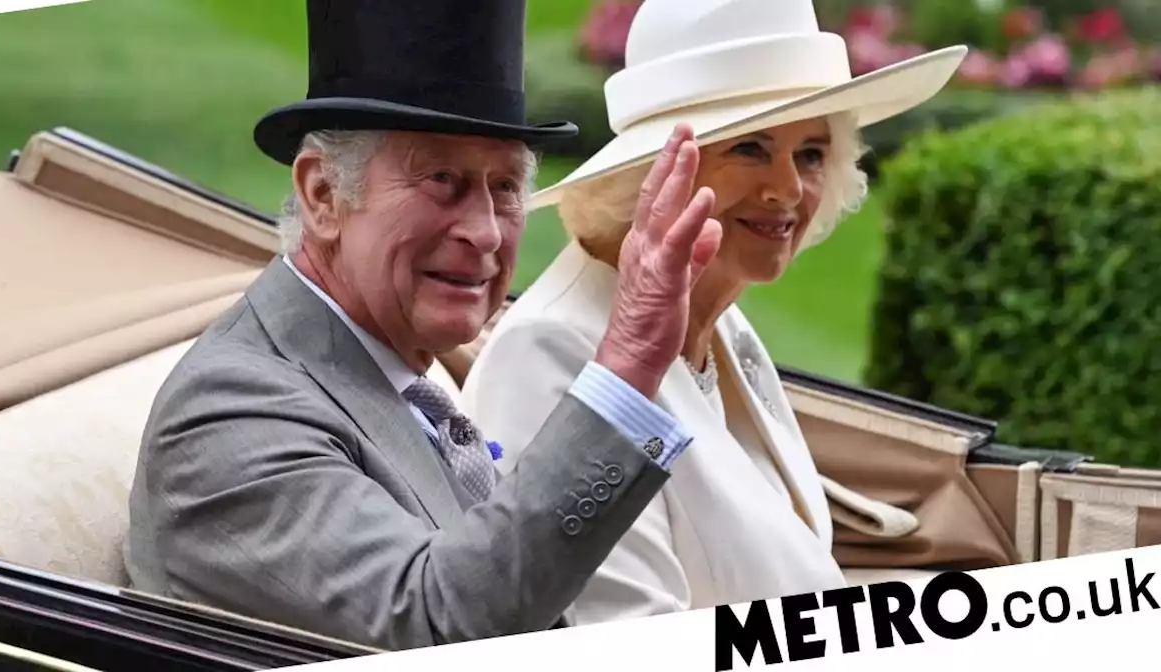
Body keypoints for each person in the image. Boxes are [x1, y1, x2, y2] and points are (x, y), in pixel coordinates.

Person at [123, 0, 724, 652]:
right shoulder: (230, 413)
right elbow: (439, 627)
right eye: (442, 180)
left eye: (505, 187)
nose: (487, 232)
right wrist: (629, 361)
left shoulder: (400, 374)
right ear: (324, 195)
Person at [460, 0, 967, 624]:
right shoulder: (548, 352)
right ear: (655, 172)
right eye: (751, 148)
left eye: (811, 153)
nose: (787, 189)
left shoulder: (721, 320)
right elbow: (630, 639)